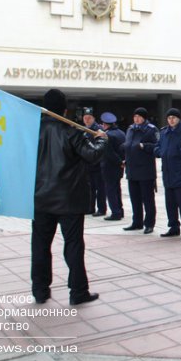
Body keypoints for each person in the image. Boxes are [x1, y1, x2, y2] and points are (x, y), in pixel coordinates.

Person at [32, 89, 108, 305]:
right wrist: (102, 140)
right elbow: (92, 155)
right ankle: (78, 292)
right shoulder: (71, 130)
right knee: (73, 246)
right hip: (69, 198)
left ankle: (40, 290)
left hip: (41, 198)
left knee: (39, 245)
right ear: (64, 108)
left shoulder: (33, 131)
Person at [154, 108, 181, 239]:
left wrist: (178, 152)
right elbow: (157, 146)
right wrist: (160, 152)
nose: (171, 120)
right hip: (168, 173)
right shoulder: (163, 132)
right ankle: (173, 227)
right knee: (170, 203)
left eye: (174, 117)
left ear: (178, 118)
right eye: (169, 118)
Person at [123, 107, 158, 234]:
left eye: (139, 116)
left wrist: (145, 146)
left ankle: (149, 223)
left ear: (144, 118)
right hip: (132, 169)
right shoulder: (130, 129)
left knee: (147, 198)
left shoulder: (151, 130)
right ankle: (136, 222)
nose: (136, 119)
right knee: (135, 198)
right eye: (135, 116)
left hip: (145, 170)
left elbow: (157, 147)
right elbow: (128, 145)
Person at [100, 112, 126, 221]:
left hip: (110, 166)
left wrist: (119, 161)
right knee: (117, 189)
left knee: (110, 190)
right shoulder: (121, 133)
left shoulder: (107, 135)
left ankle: (115, 212)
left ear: (105, 125)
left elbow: (109, 153)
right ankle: (120, 210)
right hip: (119, 167)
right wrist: (122, 162)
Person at [82, 108, 107, 217]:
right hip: (88, 164)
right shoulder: (83, 129)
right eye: (85, 118)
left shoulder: (98, 129)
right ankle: (90, 207)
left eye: (89, 118)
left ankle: (101, 209)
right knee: (90, 187)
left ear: (94, 119)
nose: (87, 120)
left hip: (97, 164)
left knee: (100, 188)